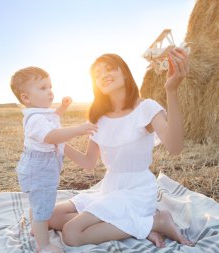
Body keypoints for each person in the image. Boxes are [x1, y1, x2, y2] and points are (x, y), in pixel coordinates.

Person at [49, 49, 193, 248]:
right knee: (51, 216)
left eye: (109, 69)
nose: (104, 76)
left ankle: (157, 221)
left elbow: (175, 147)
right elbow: (88, 162)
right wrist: (59, 143)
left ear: (124, 72)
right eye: (98, 75)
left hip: (137, 191)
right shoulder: (97, 118)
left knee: (72, 233)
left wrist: (171, 90)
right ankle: (138, 226)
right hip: (109, 187)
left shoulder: (146, 108)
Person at [10, 66, 98, 253]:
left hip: (40, 167)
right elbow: (51, 135)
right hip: (39, 168)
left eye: (50, 86)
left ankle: (36, 228)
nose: (50, 91)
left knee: (39, 202)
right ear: (26, 97)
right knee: (42, 208)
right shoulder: (35, 120)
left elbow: (53, 118)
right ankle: (44, 245)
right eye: (43, 88)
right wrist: (78, 129)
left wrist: (62, 108)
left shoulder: (41, 114)